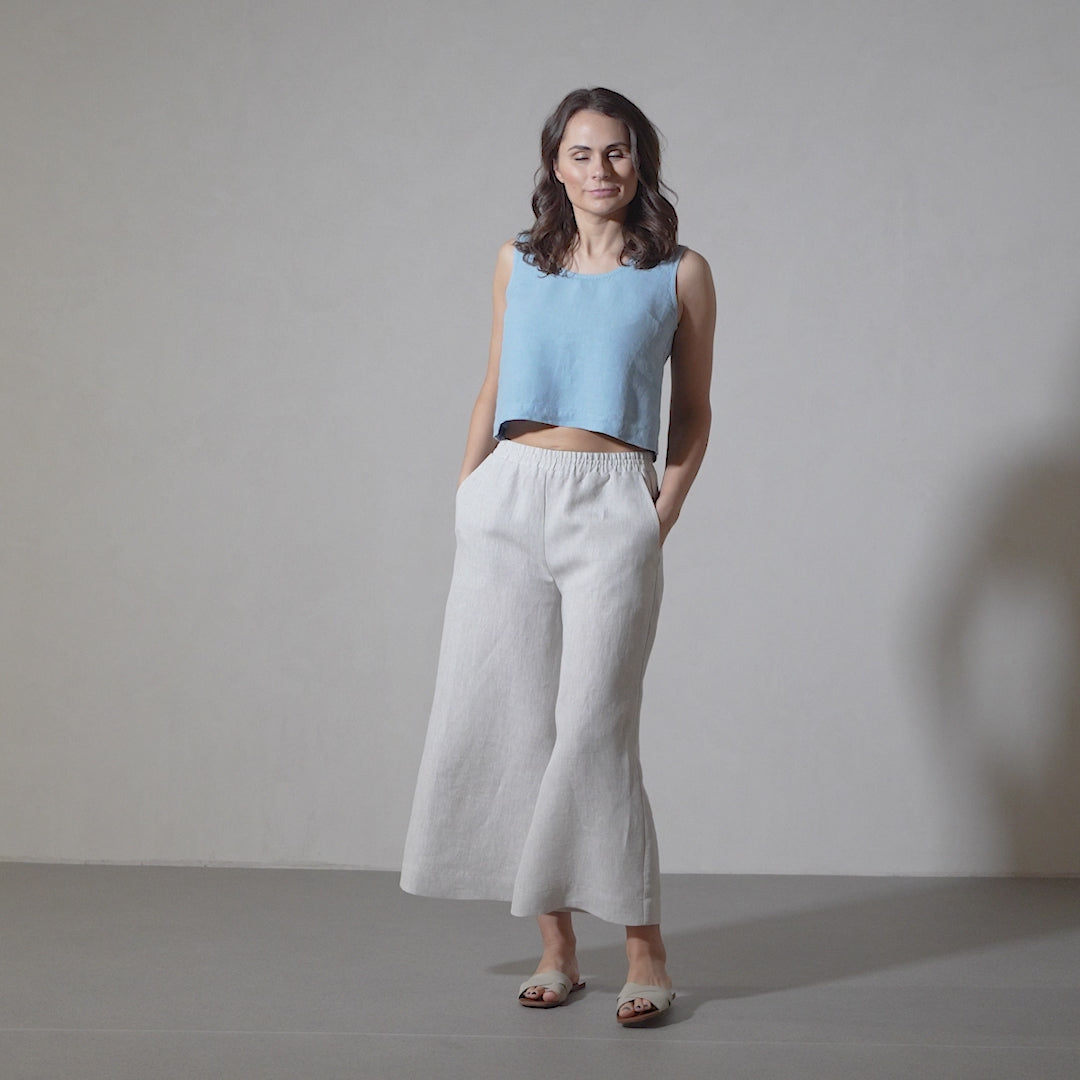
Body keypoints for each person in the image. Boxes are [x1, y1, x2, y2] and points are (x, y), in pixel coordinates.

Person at [399, 86, 715, 1026]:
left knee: (595, 728)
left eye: (616, 153)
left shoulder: (680, 273)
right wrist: (468, 490)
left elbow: (694, 414)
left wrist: (655, 516)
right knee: (513, 725)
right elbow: (494, 380)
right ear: (554, 164)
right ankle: (556, 946)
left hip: (611, 501)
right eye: (580, 154)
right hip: (507, 500)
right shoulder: (516, 263)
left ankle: (646, 951)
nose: (599, 171)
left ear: (639, 161)